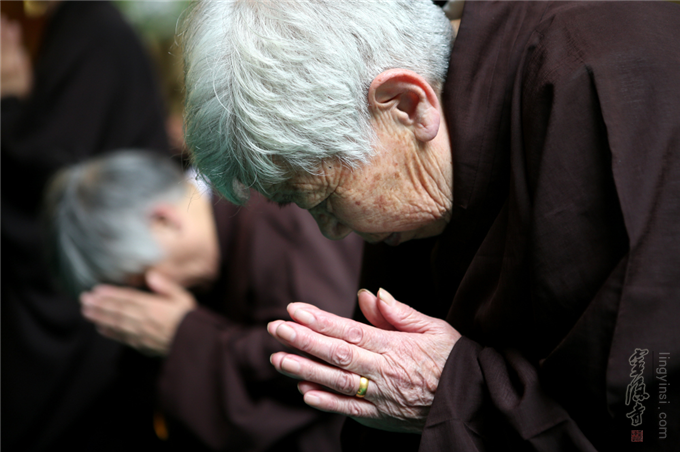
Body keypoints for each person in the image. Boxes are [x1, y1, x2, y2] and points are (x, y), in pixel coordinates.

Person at [179, 1, 680, 451]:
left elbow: (647, 418)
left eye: (324, 200)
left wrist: (450, 393)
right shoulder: (407, 174)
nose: (331, 232)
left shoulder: (600, 76)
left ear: (407, 104)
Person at [44, 151, 364, 452]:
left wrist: (183, 335)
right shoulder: (199, 269)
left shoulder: (277, 208)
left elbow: (323, 356)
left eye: (142, 278)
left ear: (164, 220)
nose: (155, 290)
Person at [1, 2, 171, 450]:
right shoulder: (79, 29)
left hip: (97, 288)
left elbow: (49, 180)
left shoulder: (94, 31)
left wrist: (8, 102)